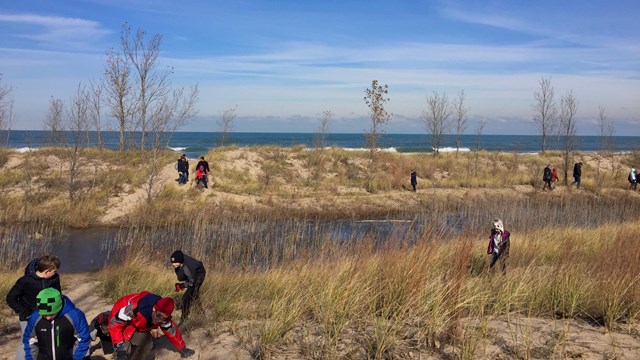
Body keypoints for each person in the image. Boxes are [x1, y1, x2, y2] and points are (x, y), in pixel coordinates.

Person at [108, 291, 195, 359]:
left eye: (163, 318)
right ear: (154, 309)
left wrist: (183, 349)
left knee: (148, 345)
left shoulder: (164, 318)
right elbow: (114, 323)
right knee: (123, 352)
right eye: (158, 316)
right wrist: (119, 347)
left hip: (139, 325)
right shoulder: (133, 308)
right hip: (120, 321)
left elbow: (172, 332)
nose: (159, 320)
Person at [7, 255, 62, 360]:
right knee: (27, 343)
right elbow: (11, 298)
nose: (56, 273)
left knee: (47, 341)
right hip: (28, 318)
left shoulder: (55, 278)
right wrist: (25, 311)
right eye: (54, 271)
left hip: (49, 316)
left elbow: (58, 295)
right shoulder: (24, 281)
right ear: (46, 271)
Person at [22, 288, 90, 360]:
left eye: (51, 314)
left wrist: (76, 358)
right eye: (44, 315)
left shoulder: (75, 315)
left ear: (59, 308)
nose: (48, 318)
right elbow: (30, 341)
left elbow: (83, 339)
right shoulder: (35, 317)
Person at [171, 250, 206, 323]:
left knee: (185, 298)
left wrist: (181, 286)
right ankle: (202, 315)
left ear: (180, 262)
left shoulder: (188, 268)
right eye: (172, 262)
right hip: (191, 275)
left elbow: (191, 282)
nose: (173, 264)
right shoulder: (179, 261)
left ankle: (184, 320)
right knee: (194, 296)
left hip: (198, 275)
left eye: (175, 263)